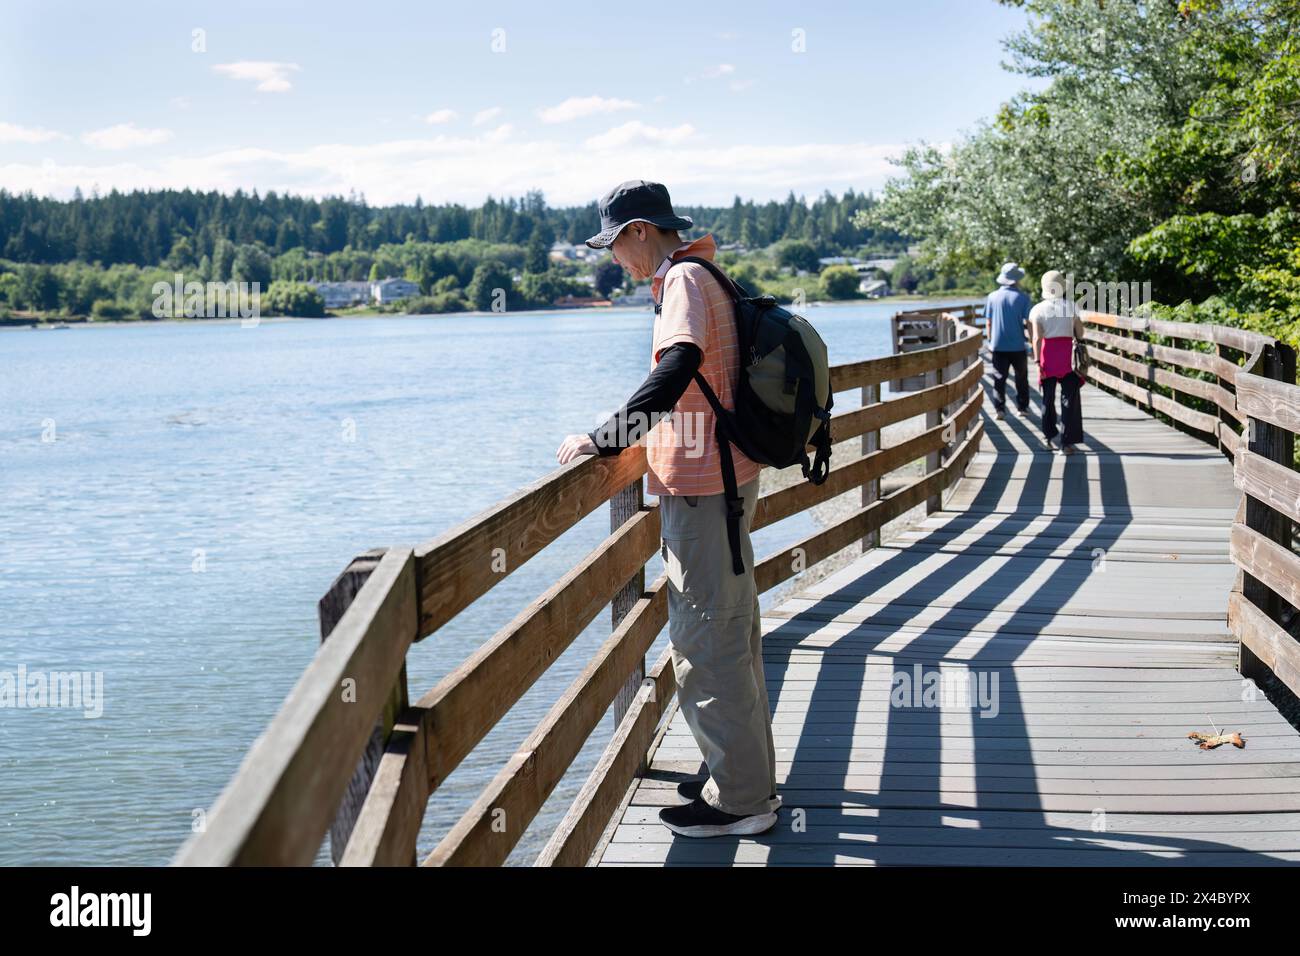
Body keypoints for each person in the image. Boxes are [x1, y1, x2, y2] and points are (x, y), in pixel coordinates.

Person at [555, 180, 779, 838]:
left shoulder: (682, 281)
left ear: (641, 231)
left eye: (616, 245)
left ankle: (742, 803)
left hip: (706, 488)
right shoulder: (708, 272)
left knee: (705, 642)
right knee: (731, 634)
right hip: (728, 479)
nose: (614, 261)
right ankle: (739, 775)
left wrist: (605, 438)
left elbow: (679, 364)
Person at [1029, 269, 1086, 454]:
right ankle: (1066, 443)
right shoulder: (1071, 307)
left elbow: (1037, 338)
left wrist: (1037, 361)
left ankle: (1047, 438)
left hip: (1048, 356)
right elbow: (1080, 333)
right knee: (1069, 399)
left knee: (1048, 399)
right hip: (1067, 356)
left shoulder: (1037, 309)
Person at [984, 261, 1031, 420]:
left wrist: (990, 341)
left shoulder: (992, 297)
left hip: (998, 345)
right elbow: (1029, 323)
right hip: (1018, 345)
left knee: (999, 378)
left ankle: (999, 410)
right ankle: (1022, 408)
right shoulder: (1023, 298)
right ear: (1016, 279)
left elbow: (988, 322)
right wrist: (1031, 342)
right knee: (1021, 377)